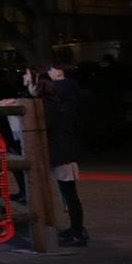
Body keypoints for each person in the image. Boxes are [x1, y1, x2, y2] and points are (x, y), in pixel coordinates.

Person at [39, 61, 89, 246]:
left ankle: (77, 231)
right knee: (69, 193)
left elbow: (52, 123)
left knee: (69, 193)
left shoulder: (58, 99)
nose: (50, 72)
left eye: (52, 69)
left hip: (62, 150)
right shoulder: (69, 95)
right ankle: (76, 229)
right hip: (66, 148)